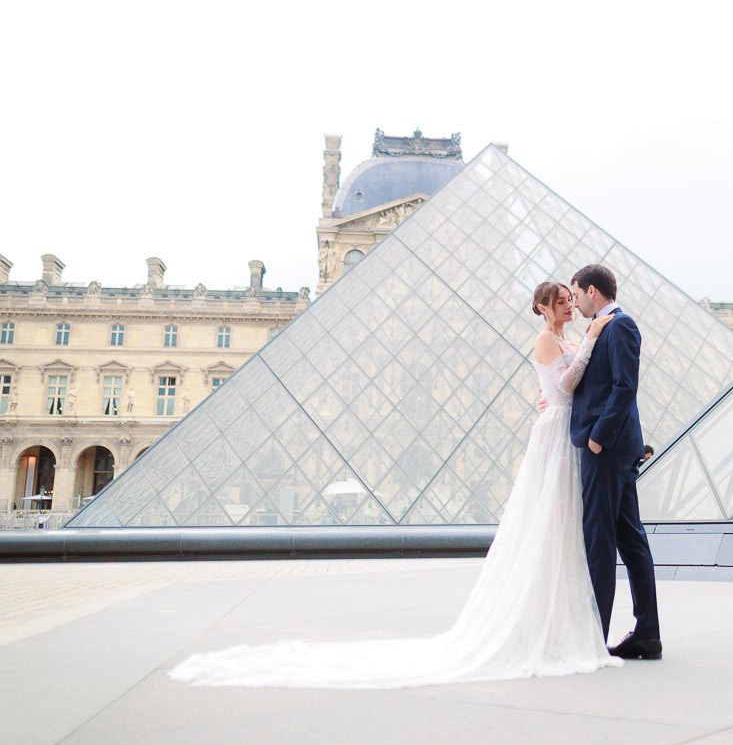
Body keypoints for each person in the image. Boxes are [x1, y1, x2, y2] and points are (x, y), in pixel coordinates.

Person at [169, 283, 619, 689]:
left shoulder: (574, 337)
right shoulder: (550, 338)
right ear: (543, 307)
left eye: (570, 298)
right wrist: (584, 352)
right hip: (556, 436)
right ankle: (541, 624)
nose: (570, 303)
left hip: (565, 433)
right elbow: (563, 379)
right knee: (547, 524)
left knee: (561, 529)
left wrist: (576, 360)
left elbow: (571, 384)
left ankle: (560, 621)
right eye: (561, 299)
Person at [569, 263, 662, 660]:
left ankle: (595, 637)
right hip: (615, 449)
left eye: (575, 295)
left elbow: (625, 387)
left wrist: (597, 439)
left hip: (605, 451)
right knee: (629, 539)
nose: (573, 302)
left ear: (592, 291)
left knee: (600, 542)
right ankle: (647, 634)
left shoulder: (620, 325)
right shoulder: (604, 327)